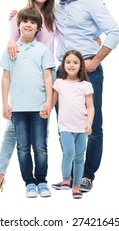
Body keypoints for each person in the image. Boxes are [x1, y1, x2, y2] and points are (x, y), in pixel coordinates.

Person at [45, 0, 119, 192]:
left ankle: (88, 175)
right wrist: (15, 16)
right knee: (65, 124)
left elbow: (115, 32)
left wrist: (96, 59)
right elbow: (35, 15)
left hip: (88, 71)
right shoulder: (55, 8)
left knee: (92, 124)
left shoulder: (90, 0)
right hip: (63, 72)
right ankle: (69, 176)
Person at [0, 0, 56, 196]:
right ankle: (3, 177)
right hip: (22, 85)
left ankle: (54, 179)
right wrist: (5, 102)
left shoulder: (54, 14)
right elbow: (12, 43)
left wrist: (93, 38)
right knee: (15, 136)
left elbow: (73, 29)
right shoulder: (20, 14)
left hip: (47, 75)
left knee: (45, 135)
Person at [0, 7, 55, 198]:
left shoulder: (42, 50)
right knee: (23, 147)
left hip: (39, 107)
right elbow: (5, 78)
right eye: (25, 21)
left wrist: (48, 102)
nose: (29, 25)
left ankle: (41, 181)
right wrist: (5, 104)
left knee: (40, 146)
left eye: (33, 22)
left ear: (38, 28)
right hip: (18, 108)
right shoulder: (11, 49)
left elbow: (48, 77)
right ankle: (29, 183)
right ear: (19, 25)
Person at [40, 50, 94, 199]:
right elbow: (53, 102)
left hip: (81, 127)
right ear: (63, 65)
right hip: (65, 126)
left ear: (80, 66)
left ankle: (76, 187)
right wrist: (47, 111)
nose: (71, 65)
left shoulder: (85, 85)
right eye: (68, 62)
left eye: (75, 62)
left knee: (79, 157)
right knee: (69, 152)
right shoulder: (59, 83)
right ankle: (66, 179)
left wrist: (89, 123)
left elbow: (90, 107)